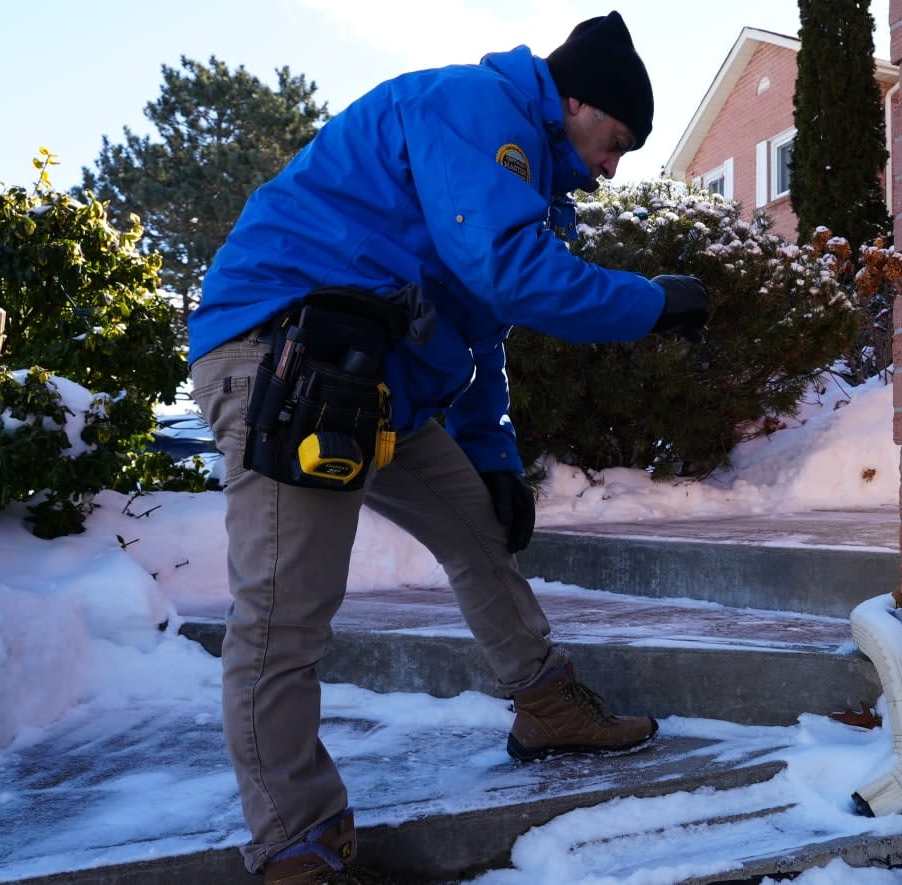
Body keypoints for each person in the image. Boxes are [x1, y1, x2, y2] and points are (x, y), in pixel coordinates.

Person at [187, 10, 709, 883]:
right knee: (286, 610)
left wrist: (494, 458)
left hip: (377, 377)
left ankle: (546, 705)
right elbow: (509, 271)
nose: (613, 168)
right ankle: (293, 839)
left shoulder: (530, 180)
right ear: (573, 98)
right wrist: (652, 302)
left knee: (478, 531)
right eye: (615, 141)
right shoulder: (477, 107)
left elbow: (481, 325)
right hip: (289, 356)